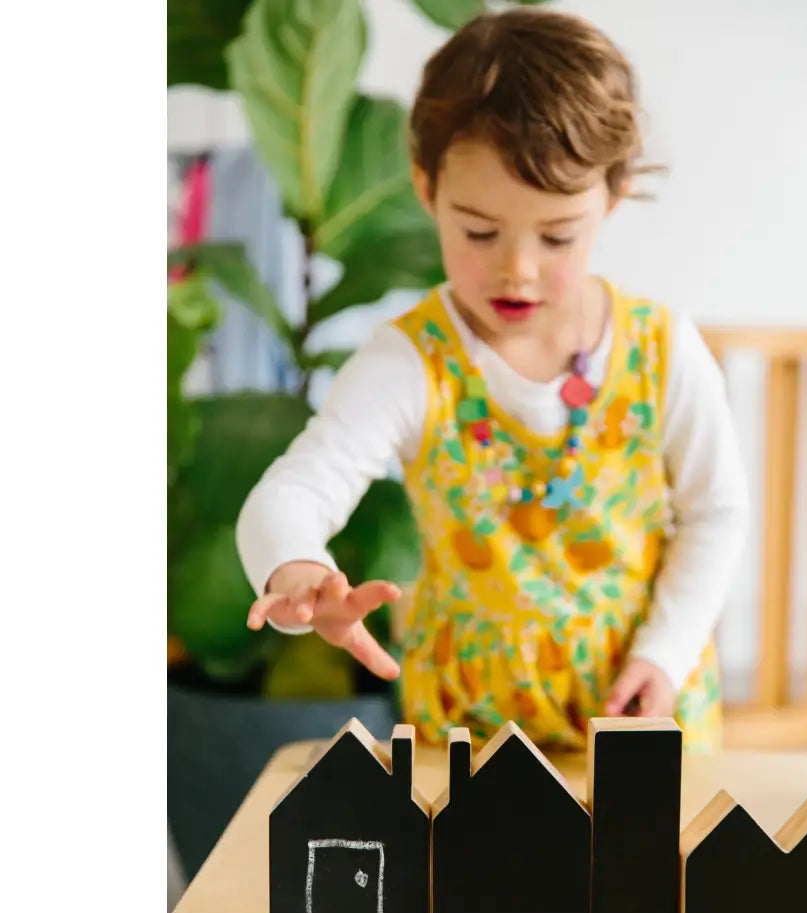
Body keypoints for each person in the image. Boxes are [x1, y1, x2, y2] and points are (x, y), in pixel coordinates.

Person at [236, 7, 748, 752]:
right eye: (479, 231)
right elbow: (290, 495)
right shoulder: (407, 363)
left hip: (641, 713)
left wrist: (663, 655)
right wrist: (300, 571)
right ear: (425, 187)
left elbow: (718, 514)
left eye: (557, 235)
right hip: (467, 734)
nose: (518, 268)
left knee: (651, 871)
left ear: (613, 193)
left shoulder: (663, 349)